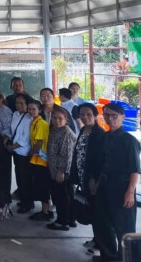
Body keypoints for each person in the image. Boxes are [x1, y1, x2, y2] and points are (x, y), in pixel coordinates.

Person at [93, 103, 140, 261]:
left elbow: (135, 169)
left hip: (122, 187)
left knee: (124, 227)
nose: (110, 119)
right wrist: (96, 183)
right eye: (107, 115)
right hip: (104, 185)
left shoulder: (129, 140)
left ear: (123, 117)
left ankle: (127, 258)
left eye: (114, 116)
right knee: (103, 223)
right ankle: (109, 256)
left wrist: (130, 192)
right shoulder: (104, 137)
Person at [70, 103, 105, 254]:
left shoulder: (99, 134)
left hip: (92, 180)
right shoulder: (83, 130)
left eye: (88, 114)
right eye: (82, 114)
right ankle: (97, 239)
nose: (85, 117)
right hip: (82, 176)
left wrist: (93, 179)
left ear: (95, 116)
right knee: (91, 208)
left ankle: (101, 244)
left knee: (97, 212)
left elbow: (99, 160)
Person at [46, 106, 77, 231]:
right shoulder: (55, 130)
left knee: (62, 197)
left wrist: (61, 171)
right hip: (54, 170)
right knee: (65, 196)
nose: (57, 121)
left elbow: (67, 155)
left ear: (66, 119)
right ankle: (70, 219)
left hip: (61, 172)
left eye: (60, 118)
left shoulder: (66, 133)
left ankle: (62, 222)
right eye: (54, 118)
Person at [8, 93, 34, 213]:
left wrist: (13, 146)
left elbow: (26, 137)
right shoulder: (15, 114)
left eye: (21, 103)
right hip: (16, 152)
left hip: (24, 152)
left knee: (25, 178)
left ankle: (28, 203)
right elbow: (12, 130)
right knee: (19, 176)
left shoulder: (30, 117)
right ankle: (23, 199)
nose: (18, 105)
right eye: (17, 103)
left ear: (27, 104)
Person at [28, 99, 53, 222]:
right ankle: (46, 210)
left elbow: (39, 142)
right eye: (29, 109)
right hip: (37, 160)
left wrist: (30, 153)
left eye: (34, 109)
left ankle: (46, 212)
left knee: (43, 186)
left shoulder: (41, 123)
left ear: (40, 110)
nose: (31, 111)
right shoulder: (34, 122)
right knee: (40, 186)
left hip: (42, 160)